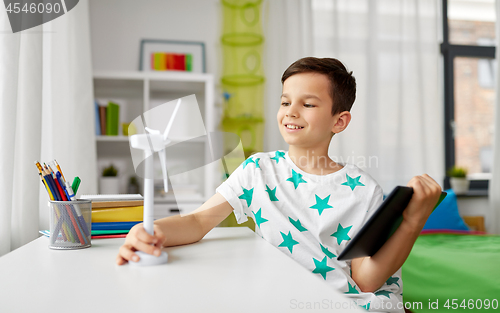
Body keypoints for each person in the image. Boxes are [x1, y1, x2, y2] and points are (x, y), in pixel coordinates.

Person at [116, 57, 442, 312]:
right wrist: (148, 230)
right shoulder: (258, 169)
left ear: (338, 121)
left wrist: (413, 221)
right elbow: (198, 221)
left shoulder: (363, 189)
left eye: (308, 104)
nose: (291, 112)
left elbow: (365, 281)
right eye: (285, 102)